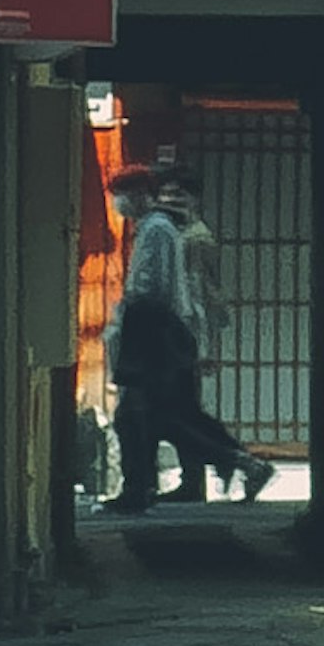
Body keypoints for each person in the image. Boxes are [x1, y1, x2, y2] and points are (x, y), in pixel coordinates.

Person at [108, 160, 268, 505]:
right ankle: (239, 464)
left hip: (155, 331)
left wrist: (200, 340)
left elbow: (163, 287)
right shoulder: (160, 229)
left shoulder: (159, 231)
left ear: (138, 195)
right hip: (165, 330)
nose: (117, 204)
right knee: (167, 415)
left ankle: (144, 487)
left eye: (120, 195)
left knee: (151, 416)